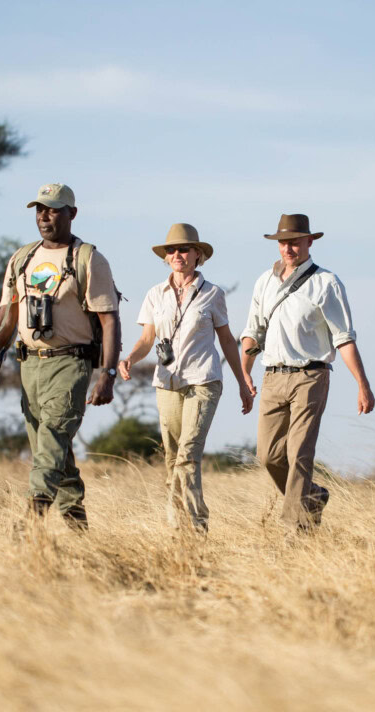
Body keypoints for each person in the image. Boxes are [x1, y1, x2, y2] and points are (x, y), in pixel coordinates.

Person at [0, 183, 121, 530]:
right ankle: (78, 528)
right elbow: (5, 317)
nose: (44, 215)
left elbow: (108, 319)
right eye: (39, 209)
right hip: (29, 364)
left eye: (53, 209)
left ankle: (30, 524)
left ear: (72, 213)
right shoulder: (22, 258)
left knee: (52, 437)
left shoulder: (88, 258)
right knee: (52, 448)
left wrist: (107, 374)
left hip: (70, 363)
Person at [239, 214, 374, 531]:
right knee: (269, 455)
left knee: (299, 453)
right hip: (271, 376)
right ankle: (311, 496)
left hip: (310, 377)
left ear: (310, 242)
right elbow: (252, 332)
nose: (289, 248)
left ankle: (295, 532)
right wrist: (243, 372)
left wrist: (363, 385)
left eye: (295, 242)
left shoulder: (326, 283)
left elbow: (344, 338)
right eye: (284, 242)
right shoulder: (264, 281)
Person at [118, 223, 254, 533]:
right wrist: (129, 358)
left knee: (188, 455)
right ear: (165, 257)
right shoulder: (155, 294)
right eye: (171, 250)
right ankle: (176, 527)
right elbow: (147, 338)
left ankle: (197, 528)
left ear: (197, 255)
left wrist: (242, 380)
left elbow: (227, 341)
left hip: (203, 380)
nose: (177, 254)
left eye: (183, 249)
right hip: (167, 382)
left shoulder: (212, 294)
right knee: (172, 457)